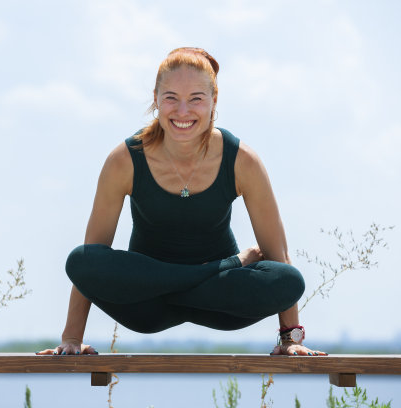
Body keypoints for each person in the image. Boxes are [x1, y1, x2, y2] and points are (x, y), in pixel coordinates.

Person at [38, 47, 325, 357]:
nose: (183, 111)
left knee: (288, 280)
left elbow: (278, 255)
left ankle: (210, 273)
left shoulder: (243, 160)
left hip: (220, 301)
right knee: (81, 260)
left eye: (196, 99)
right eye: (171, 97)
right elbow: (92, 258)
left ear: (214, 100)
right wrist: (71, 338)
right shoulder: (124, 160)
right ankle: (221, 266)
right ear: (156, 99)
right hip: (146, 304)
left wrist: (290, 340)